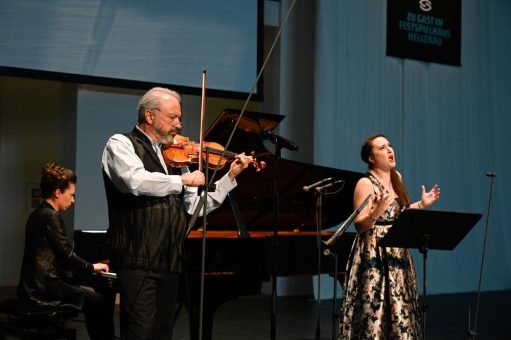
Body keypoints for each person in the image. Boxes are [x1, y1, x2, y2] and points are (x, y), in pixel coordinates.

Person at [101, 87, 254, 340]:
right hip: (137, 259)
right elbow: (135, 181)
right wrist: (183, 181)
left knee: (163, 333)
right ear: (150, 116)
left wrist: (229, 177)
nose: (179, 124)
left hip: (170, 261)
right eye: (172, 117)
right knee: (139, 333)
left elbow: (196, 207)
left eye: (179, 118)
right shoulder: (121, 144)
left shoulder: (177, 159)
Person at [338, 134, 441, 339]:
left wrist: (420, 205)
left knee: (399, 305)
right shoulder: (365, 183)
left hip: (396, 248)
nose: (389, 150)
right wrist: (376, 211)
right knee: (374, 308)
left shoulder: (397, 177)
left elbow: (398, 216)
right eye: (382, 147)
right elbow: (359, 225)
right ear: (371, 158)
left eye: (389, 146)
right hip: (373, 251)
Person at [17, 163, 114, 340]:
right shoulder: (51, 216)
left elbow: (60, 258)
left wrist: (87, 271)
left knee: (92, 292)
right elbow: (67, 255)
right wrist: (93, 267)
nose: (73, 200)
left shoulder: (37, 213)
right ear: (57, 192)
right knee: (97, 300)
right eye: (71, 195)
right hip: (44, 288)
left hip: (33, 284)